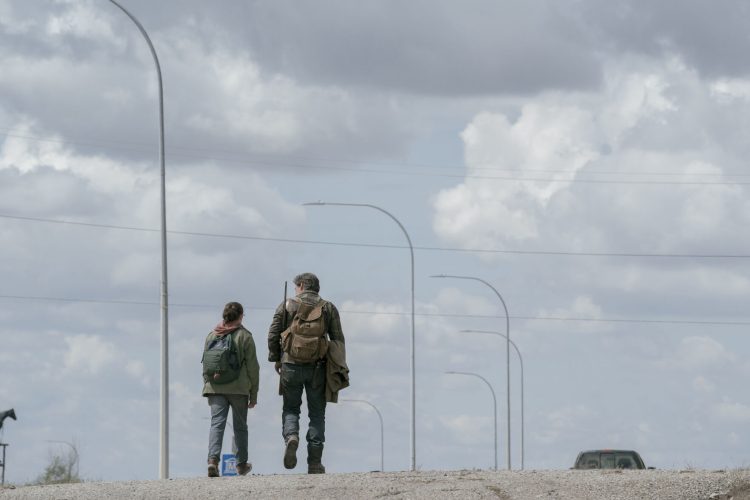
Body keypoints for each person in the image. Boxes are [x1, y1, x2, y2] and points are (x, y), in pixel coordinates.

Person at [267, 273, 348, 474]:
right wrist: (337, 367)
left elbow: (273, 333)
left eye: (296, 286)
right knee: (317, 414)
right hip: (318, 367)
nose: (296, 289)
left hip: (290, 365)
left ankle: (291, 436)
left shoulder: (287, 305)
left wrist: (276, 358)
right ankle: (314, 462)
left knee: (291, 408)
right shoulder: (328, 308)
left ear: (302, 285)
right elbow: (338, 339)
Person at [202, 301, 260, 477]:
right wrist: (254, 395)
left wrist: (208, 384)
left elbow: (206, 364)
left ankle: (212, 461)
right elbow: (253, 368)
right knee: (240, 426)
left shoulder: (212, 335)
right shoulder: (245, 336)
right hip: (238, 388)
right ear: (241, 316)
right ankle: (241, 465)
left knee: (216, 424)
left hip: (215, 387)